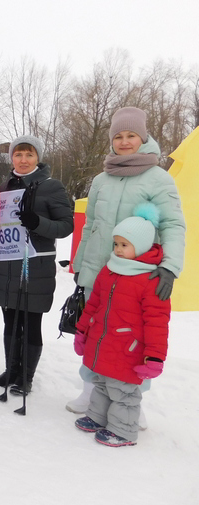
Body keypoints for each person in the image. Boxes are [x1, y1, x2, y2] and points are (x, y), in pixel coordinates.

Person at [68, 107, 185, 414]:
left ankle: (132, 400)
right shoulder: (101, 179)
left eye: (131, 135)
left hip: (137, 277)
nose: (124, 141)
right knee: (95, 331)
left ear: (142, 137)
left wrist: (169, 267)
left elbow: (172, 224)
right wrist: (80, 264)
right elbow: (91, 225)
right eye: (118, 136)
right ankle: (90, 391)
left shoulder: (158, 178)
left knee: (130, 339)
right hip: (99, 270)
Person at [73, 204, 169, 447]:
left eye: (124, 245)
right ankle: (97, 416)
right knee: (102, 383)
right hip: (103, 343)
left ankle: (124, 430)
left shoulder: (151, 279)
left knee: (124, 392)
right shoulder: (110, 269)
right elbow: (94, 303)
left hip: (129, 349)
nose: (118, 249)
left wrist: (155, 357)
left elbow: (157, 323)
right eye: (116, 244)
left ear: (142, 246)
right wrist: (82, 331)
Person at [0, 135, 73, 394]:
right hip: (6, 263)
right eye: (18, 154)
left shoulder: (51, 186)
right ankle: (10, 370)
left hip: (34, 264)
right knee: (10, 320)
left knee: (30, 322)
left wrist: (36, 222)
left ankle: (26, 377)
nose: (23, 160)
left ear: (38, 158)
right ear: (11, 157)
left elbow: (66, 225)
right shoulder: (2, 188)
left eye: (29, 155)